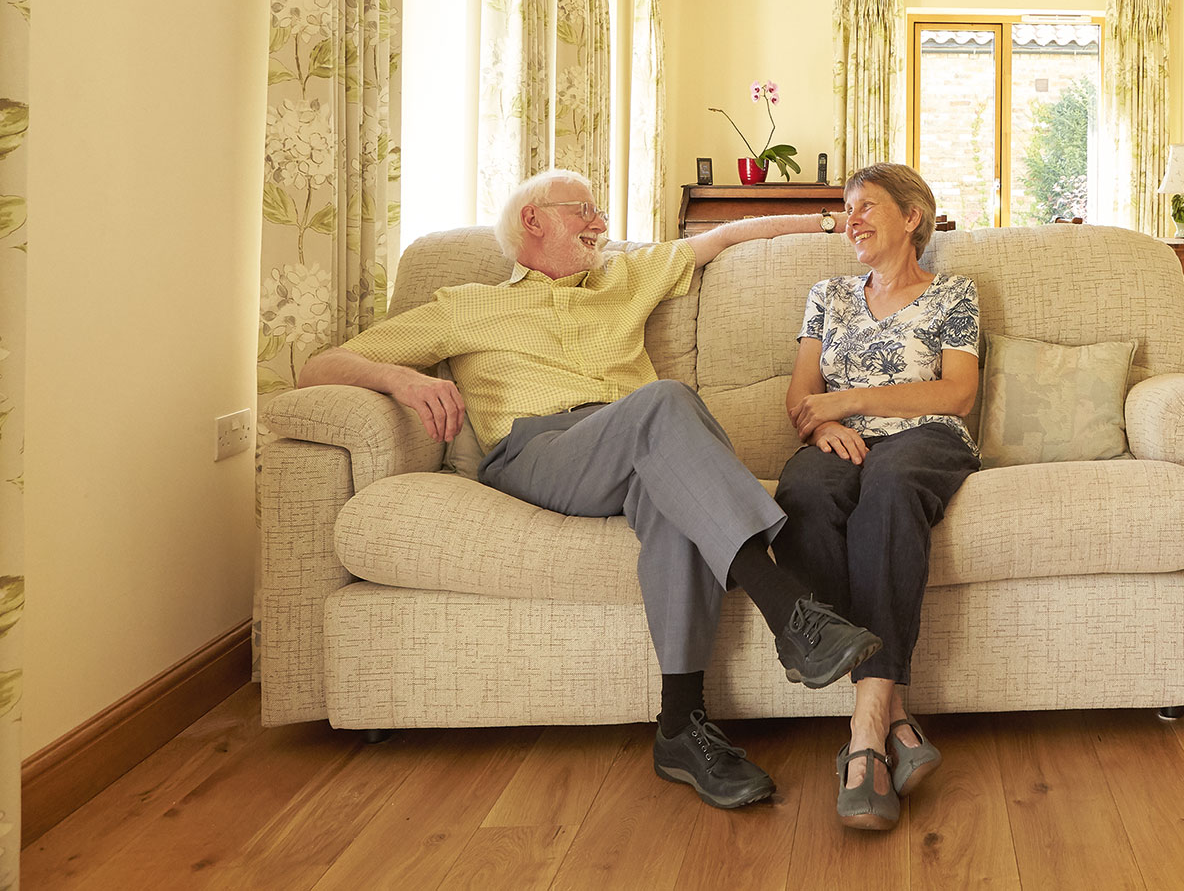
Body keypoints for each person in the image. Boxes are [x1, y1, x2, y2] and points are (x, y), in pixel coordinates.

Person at [298, 167, 877, 810]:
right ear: (534, 220)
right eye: (584, 212)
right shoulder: (466, 304)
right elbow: (317, 367)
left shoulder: (623, 279)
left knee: (671, 494)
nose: (600, 225)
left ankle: (682, 727)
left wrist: (828, 223)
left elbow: (729, 234)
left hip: (641, 448)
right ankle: (790, 609)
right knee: (663, 402)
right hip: (541, 452)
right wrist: (402, 381)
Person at [773, 163, 981, 831]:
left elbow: (957, 393)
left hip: (925, 439)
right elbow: (800, 394)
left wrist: (852, 398)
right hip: (840, 441)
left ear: (911, 217)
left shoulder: (955, 293)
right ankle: (893, 712)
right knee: (801, 486)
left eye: (866, 205)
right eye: (846, 208)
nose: (850, 218)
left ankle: (863, 738)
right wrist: (824, 421)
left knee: (888, 488)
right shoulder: (828, 293)